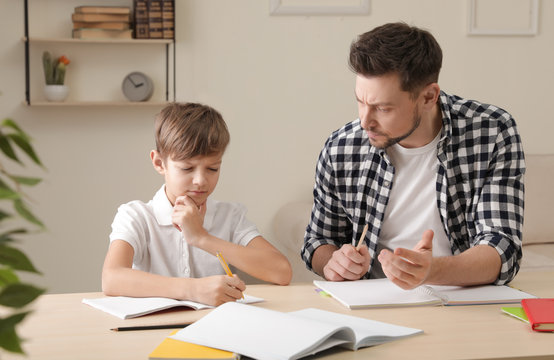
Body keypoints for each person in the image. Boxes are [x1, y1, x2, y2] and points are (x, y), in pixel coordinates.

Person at [301, 22, 524, 289]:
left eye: (383, 108)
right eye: (360, 102)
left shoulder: (491, 132)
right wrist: (334, 262)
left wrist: (430, 270)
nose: (365, 122)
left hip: (461, 298)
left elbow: (502, 248)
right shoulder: (342, 147)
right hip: (373, 300)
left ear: (429, 96)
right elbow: (318, 241)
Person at [103, 102, 292, 306]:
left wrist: (201, 237)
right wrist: (192, 289)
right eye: (187, 168)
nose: (201, 180)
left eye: (212, 169)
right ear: (159, 163)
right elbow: (112, 278)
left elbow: (281, 271)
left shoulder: (230, 216)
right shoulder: (137, 216)